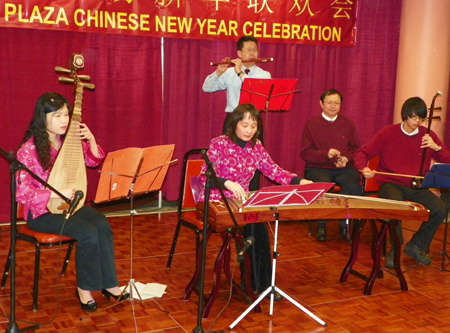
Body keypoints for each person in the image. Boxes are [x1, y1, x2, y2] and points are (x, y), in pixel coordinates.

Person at [15, 92, 129, 312]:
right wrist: (56, 194)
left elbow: (93, 161)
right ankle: (84, 289)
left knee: (102, 225)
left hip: (70, 206)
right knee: (87, 232)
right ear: (43, 117)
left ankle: (110, 285)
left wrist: (91, 139)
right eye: (58, 116)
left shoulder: (67, 143)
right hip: (41, 213)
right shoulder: (28, 151)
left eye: (66, 115)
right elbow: (23, 193)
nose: (65, 121)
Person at [198, 103, 312, 301]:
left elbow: (273, 170)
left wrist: (299, 181)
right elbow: (205, 176)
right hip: (218, 199)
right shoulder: (219, 143)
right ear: (234, 124)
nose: (249, 130)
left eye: (253, 126)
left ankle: (263, 284)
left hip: (242, 201)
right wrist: (228, 183)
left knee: (258, 227)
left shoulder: (256, 146)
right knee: (253, 227)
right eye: (244, 125)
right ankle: (252, 285)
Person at [355, 96, 450, 268]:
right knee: (396, 206)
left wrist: (436, 147)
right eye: (414, 117)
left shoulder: (428, 136)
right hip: (390, 183)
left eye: (421, 118)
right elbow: (362, 153)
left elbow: (447, 159)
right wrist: (363, 168)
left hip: (416, 185)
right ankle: (395, 248)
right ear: (405, 115)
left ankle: (416, 245)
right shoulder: (387, 133)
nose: (417, 121)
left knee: (440, 208)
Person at [300, 89, 362, 242]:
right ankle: (321, 224)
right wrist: (326, 154)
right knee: (321, 184)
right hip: (318, 167)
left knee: (353, 186)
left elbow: (355, 149)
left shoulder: (348, 124)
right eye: (329, 102)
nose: (333, 106)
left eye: (337, 103)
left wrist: (346, 159)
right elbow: (305, 153)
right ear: (321, 103)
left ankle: (345, 224)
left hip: (343, 168)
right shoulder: (311, 124)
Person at [202, 35, 271, 134]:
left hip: (253, 121)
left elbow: (253, 89)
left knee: (253, 149)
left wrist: (240, 73)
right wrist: (218, 72)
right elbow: (207, 88)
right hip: (232, 119)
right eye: (248, 50)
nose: (252, 53)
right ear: (239, 53)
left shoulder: (264, 74)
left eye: (255, 50)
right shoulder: (229, 72)